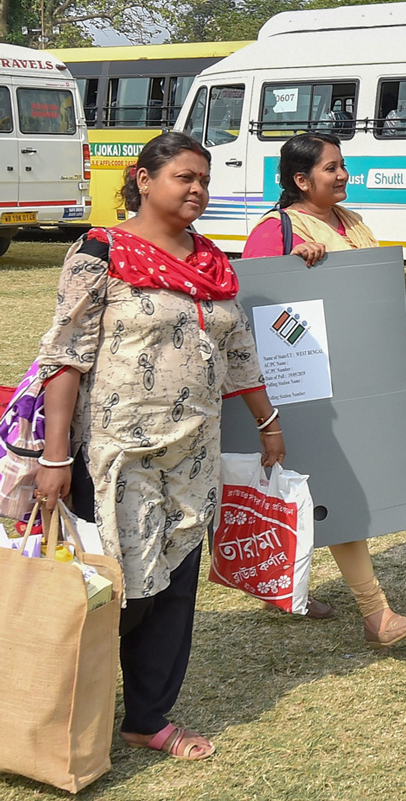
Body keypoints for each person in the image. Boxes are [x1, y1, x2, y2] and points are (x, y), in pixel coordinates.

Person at [33, 131, 284, 760]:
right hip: (117, 453)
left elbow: (239, 351)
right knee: (120, 588)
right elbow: (65, 357)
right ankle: (65, 710)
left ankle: (147, 717)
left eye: (204, 179)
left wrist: (268, 421)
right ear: (144, 180)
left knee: (173, 586)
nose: (197, 189)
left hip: (193, 455)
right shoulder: (101, 252)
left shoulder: (213, 262)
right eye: (183, 176)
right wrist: (56, 455)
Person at [242, 132, 406, 649]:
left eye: (343, 167)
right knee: (338, 490)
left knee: (324, 490)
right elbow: (256, 305)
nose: (343, 176)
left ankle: (280, 589)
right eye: (331, 168)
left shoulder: (353, 223)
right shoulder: (274, 231)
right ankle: (376, 613)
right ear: (301, 180)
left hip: (356, 381)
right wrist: (293, 266)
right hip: (302, 388)